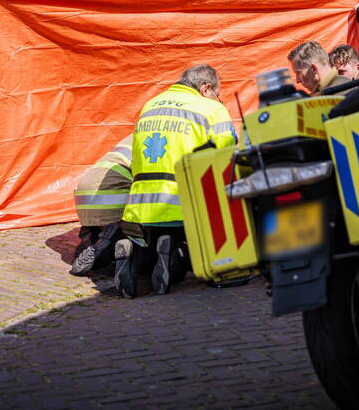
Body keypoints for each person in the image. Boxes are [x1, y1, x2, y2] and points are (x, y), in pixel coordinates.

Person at [115, 65, 238, 298]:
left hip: (140, 203)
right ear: (206, 88)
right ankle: (176, 252)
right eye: (217, 94)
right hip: (182, 201)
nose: (218, 99)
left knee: (152, 237)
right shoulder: (212, 109)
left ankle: (134, 256)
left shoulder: (150, 104)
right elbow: (227, 152)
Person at [70, 136, 133, 276]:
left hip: (84, 195)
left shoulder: (134, 136)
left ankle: (89, 236)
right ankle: (108, 237)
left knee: (96, 223)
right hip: (112, 197)